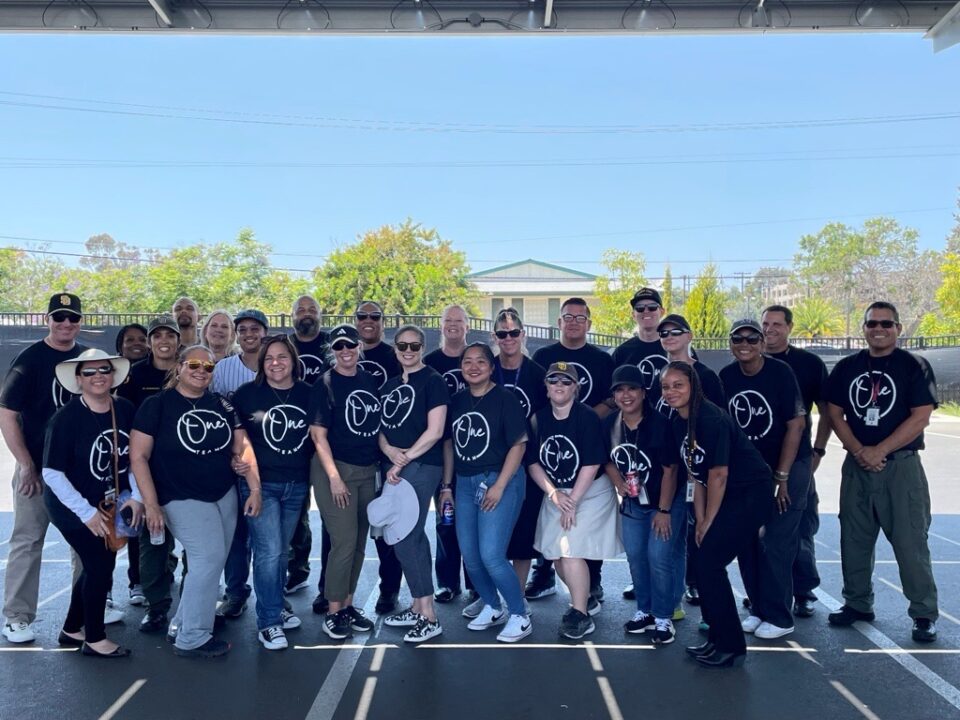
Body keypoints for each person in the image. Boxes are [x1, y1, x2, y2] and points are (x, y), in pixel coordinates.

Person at [131, 345, 259, 658]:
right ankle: (193, 637)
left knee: (212, 559)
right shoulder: (157, 405)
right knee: (208, 558)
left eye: (208, 367)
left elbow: (242, 447)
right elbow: (138, 456)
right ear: (179, 367)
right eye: (194, 365)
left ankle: (182, 623)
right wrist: (150, 503)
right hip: (178, 495)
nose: (201, 371)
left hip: (222, 493)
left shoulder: (222, 404)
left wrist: (253, 485)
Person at [825, 301, 939, 643]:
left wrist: (880, 450)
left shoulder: (913, 366)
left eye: (886, 324)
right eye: (872, 323)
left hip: (899, 467)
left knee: (910, 542)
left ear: (898, 329)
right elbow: (834, 412)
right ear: (864, 328)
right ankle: (857, 603)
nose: (879, 328)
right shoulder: (847, 367)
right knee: (854, 539)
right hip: (857, 466)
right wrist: (860, 451)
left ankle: (923, 613)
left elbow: (920, 416)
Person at [660, 361, 771, 668]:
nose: (671, 392)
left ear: (693, 386)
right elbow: (695, 474)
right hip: (721, 494)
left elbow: (719, 474)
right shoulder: (678, 421)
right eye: (666, 387)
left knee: (709, 562)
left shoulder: (711, 418)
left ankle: (731, 645)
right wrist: (699, 520)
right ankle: (717, 638)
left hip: (750, 493)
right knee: (701, 556)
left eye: (678, 385)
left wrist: (709, 521)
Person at [0, 293, 87, 644]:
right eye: (59, 317)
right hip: (37, 469)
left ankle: (86, 609)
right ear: (47, 319)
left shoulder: (88, 359)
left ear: (80, 321)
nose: (66, 324)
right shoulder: (29, 360)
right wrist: (26, 465)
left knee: (87, 541)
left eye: (72, 318)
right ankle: (17, 617)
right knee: (27, 540)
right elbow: (7, 415)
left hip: (79, 474)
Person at [43, 348, 139, 658]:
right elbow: (52, 474)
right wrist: (85, 514)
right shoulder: (65, 419)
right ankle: (95, 638)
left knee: (98, 562)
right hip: (71, 506)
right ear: (78, 379)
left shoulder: (124, 409)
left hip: (110, 501)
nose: (98, 376)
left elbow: (134, 459)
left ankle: (73, 627)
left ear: (113, 376)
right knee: (99, 564)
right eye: (90, 372)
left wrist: (136, 497)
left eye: (104, 370)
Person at [719, 319, 807, 640]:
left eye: (752, 338)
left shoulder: (780, 373)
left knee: (775, 540)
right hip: (750, 473)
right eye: (737, 338)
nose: (745, 344)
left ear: (762, 342)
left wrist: (781, 477)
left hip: (787, 467)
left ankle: (780, 616)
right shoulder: (728, 376)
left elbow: (795, 425)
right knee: (747, 539)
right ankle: (758, 608)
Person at [529, 298, 614, 605]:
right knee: (554, 546)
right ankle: (555, 581)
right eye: (568, 317)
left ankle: (587, 596)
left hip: (587, 479)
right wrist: (556, 495)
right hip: (557, 480)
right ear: (559, 322)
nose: (574, 322)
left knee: (577, 544)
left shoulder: (601, 361)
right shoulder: (544, 359)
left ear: (589, 323)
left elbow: (613, 399)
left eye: (581, 317)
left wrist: (582, 420)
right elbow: (534, 462)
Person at [528, 362, 621, 640]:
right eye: (553, 380)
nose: (559, 385)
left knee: (570, 549)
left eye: (566, 381)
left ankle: (579, 613)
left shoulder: (587, 417)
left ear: (576, 388)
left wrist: (573, 501)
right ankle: (586, 599)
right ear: (546, 387)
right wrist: (554, 493)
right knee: (554, 553)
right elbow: (533, 462)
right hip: (557, 491)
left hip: (590, 491)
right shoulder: (538, 419)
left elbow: (592, 463)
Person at [231, 335, 313, 650]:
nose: (275, 363)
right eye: (269, 359)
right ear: (261, 364)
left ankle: (275, 605)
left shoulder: (308, 393)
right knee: (268, 551)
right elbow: (236, 439)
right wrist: (239, 464)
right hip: (259, 485)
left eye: (282, 357)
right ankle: (268, 622)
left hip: (296, 484)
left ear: (293, 360)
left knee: (280, 552)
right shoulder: (246, 395)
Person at [446, 342, 530, 642]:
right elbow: (448, 444)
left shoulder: (505, 399)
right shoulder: (456, 401)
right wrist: (447, 486)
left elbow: (518, 444)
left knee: (492, 555)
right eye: (467, 362)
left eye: (480, 361)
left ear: (491, 366)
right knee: (470, 556)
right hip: (466, 482)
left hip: (500, 479)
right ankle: (494, 606)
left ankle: (519, 614)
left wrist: (499, 485)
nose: (473, 367)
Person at [309, 325, 381, 640]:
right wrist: (335, 478)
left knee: (359, 544)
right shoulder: (324, 383)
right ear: (332, 351)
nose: (345, 351)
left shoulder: (368, 380)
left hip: (367, 469)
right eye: (339, 347)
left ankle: (349, 604)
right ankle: (334, 610)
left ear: (359, 346)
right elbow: (318, 436)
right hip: (336, 471)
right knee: (343, 543)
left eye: (350, 344)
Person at [761, 304, 833, 618]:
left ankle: (803, 589)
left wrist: (818, 450)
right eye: (766, 324)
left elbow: (828, 411)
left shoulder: (808, 364)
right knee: (763, 531)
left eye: (777, 324)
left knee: (799, 527)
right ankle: (769, 591)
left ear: (789, 327)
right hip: (759, 462)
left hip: (799, 460)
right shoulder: (749, 360)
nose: (770, 330)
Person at [378, 325, 448, 643]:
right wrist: (390, 451)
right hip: (395, 466)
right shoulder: (389, 385)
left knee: (405, 537)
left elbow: (435, 432)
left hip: (421, 467)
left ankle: (429, 615)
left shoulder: (433, 381)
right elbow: (380, 429)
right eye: (402, 346)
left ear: (422, 347)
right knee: (411, 537)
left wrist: (402, 460)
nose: (408, 350)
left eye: (414, 345)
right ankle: (419, 606)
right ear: (395, 349)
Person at [604, 365, 682, 646]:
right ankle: (644, 611)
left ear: (643, 392)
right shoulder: (611, 424)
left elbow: (671, 470)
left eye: (632, 388)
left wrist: (663, 511)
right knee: (636, 556)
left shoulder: (660, 423)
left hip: (664, 501)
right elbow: (607, 460)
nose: (626, 395)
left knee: (659, 557)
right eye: (619, 389)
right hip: (634, 502)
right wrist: (618, 484)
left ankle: (663, 617)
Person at [655, 313, 726, 613]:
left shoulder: (706, 376)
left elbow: (720, 430)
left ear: (689, 336)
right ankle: (674, 596)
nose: (669, 336)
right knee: (672, 536)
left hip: (704, 470)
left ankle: (699, 587)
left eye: (676, 331)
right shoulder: (662, 375)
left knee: (703, 533)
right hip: (672, 467)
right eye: (664, 332)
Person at [117, 315, 184, 632]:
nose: (163, 341)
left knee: (196, 543)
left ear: (178, 340)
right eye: (157, 336)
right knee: (151, 540)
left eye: (169, 335)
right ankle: (157, 605)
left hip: (185, 471)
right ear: (151, 341)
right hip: (146, 469)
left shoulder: (187, 371)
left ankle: (192, 602)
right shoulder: (134, 375)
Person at [610, 287, 667, 602]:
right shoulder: (624, 351)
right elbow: (611, 397)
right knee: (637, 544)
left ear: (660, 311)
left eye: (652, 308)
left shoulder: (672, 344)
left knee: (668, 538)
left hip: (666, 437)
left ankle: (675, 592)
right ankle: (645, 595)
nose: (646, 313)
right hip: (631, 440)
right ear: (634, 313)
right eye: (640, 309)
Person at [212, 308, 268, 620]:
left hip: (271, 463)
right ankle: (236, 592)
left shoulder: (276, 364)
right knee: (235, 534)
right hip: (234, 463)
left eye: (255, 329)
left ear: (264, 332)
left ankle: (273, 595)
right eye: (242, 329)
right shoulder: (223, 370)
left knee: (268, 536)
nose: (249, 334)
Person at [493, 308, 548, 621]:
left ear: (523, 335)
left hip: (528, 463)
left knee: (523, 534)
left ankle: (519, 597)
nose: (509, 338)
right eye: (502, 334)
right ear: (495, 338)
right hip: (491, 462)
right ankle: (490, 597)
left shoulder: (537, 374)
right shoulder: (487, 369)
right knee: (491, 533)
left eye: (514, 333)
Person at [353, 300, 403, 615]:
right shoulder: (344, 354)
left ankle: (389, 590)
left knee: (387, 528)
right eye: (363, 316)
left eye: (375, 316)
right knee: (343, 529)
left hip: (386, 456)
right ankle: (330, 592)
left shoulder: (392, 357)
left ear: (383, 322)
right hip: (352, 457)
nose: (369, 321)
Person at [425, 304, 473, 605]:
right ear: (441, 326)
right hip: (438, 453)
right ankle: (447, 582)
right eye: (448, 321)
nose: (453, 326)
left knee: (473, 522)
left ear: (467, 326)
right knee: (446, 520)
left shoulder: (480, 357)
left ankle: (476, 583)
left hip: (474, 451)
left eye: (459, 321)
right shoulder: (430, 363)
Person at [286, 295, 329, 600]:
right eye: (301, 310)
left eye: (312, 309)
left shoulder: (332, 345)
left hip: (328, 442)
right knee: (296, 512)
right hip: (292, 441)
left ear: (320, 315)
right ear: (292, 316)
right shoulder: (284, 347)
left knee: (331, 517)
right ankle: (297, 571)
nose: (306, 314)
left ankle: (330, 586)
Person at [113, 323, 150, 608]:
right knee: (126, 522)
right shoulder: (113, 378)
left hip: (149, 457)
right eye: (130, 340)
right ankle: (131, 581)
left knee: (144, 522)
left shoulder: (151, 372)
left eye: (141, 339)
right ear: (119, 346)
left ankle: (147, 577)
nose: (136, 344)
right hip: (119, 460)